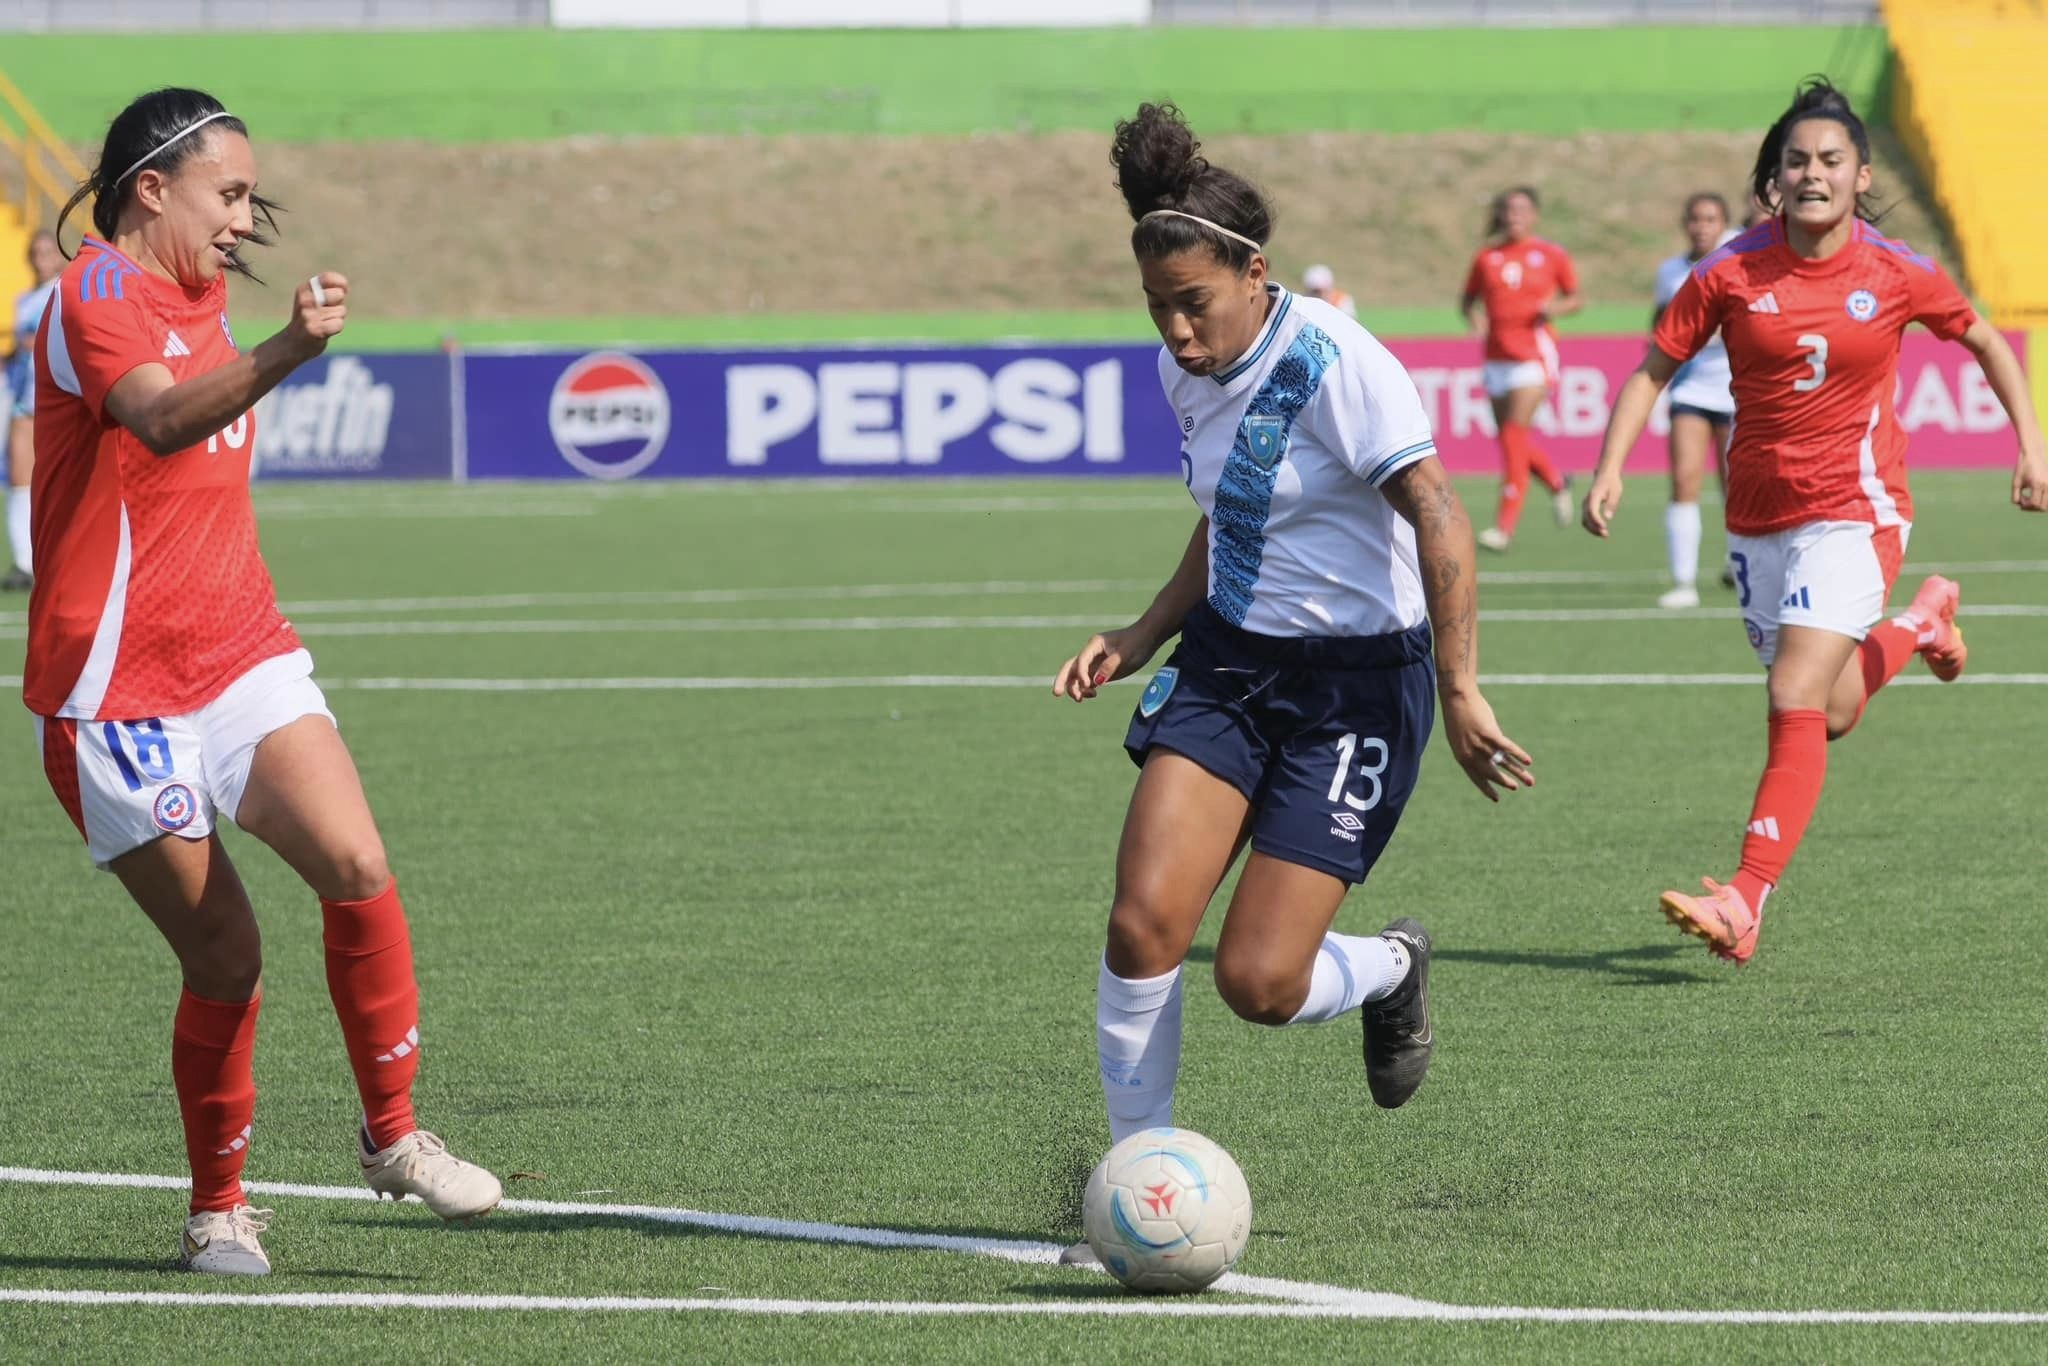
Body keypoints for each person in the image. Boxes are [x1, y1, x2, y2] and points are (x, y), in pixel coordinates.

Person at [29, 87, 500, 1276]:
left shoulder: (194, 292)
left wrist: (271, 337)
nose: (245, 218)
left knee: (358, 865)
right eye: (227, 193)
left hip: (239, 653)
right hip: (116, 697)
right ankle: (217, 1211)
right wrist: (289, 348)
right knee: (229, 958)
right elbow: (159, 419)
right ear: (154, 187)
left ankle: (394, 1139)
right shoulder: (94, 295)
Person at [1052, 103, 1533, 1261]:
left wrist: (1460, 688)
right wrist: (1142, 632)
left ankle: (1391, 966)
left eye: (1192, 302)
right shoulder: (1190, 371)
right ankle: (1139, 1183)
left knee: (1259, 982)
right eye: (1156, 307)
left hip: (1355, 689)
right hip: (1227, 666)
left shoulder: (1334, 360)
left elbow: (1436, 512)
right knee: (1141, 924)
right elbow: (1226, 520)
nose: (1175, 331)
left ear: (1252, 273)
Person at [1581, 79, 2048, 963]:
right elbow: (1653, 368)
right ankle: (1923, 621)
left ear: (1860, 173)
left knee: (1792, 695)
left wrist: (2032, 446)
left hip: (1856, 510)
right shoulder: (1728, 270)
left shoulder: (1897, 268)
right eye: (1796, 160)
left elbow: (1986, 339)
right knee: (1828, 712)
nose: (1812, 173)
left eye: (1831, 160)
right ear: (1775, 178)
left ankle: (1746, 899)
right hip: (1757, 517)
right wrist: (1611, 467)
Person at [1460, 186, 1579, 552]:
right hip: (1497, 358)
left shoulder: (1550, 255)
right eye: (1509, 210)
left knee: (1513, 436)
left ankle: (1504, 528)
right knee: (1513, 440)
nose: (1515, 217)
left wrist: (1552, 310)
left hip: (1533, 358)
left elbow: (1575, 297)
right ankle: (1557, 482)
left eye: (1522, 210)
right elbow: (1467, 300)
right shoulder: (1487, 257)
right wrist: (1476, 319)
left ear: (1534, 215)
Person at [1651, 194, 1738, 609]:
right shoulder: (1671, 271)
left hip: (1737, 390)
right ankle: (1684, 581)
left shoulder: (1741, 258)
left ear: (1724, 224)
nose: (1702, 226)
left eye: (1711, 219)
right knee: (1684, 479)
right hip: (1690, 389)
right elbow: (1660, 324)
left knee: (1735, 486)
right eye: (1696, 219)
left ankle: (1739, 562)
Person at [3, 230, 59, 590]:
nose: (41, 258)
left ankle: (59, 559)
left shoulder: (65, 291)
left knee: (59, 484)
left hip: (59, 400)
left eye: (47, 251)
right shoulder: (24, 300)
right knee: (20, 481)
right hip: (25, 400)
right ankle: (24, 563)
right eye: (35, 252)